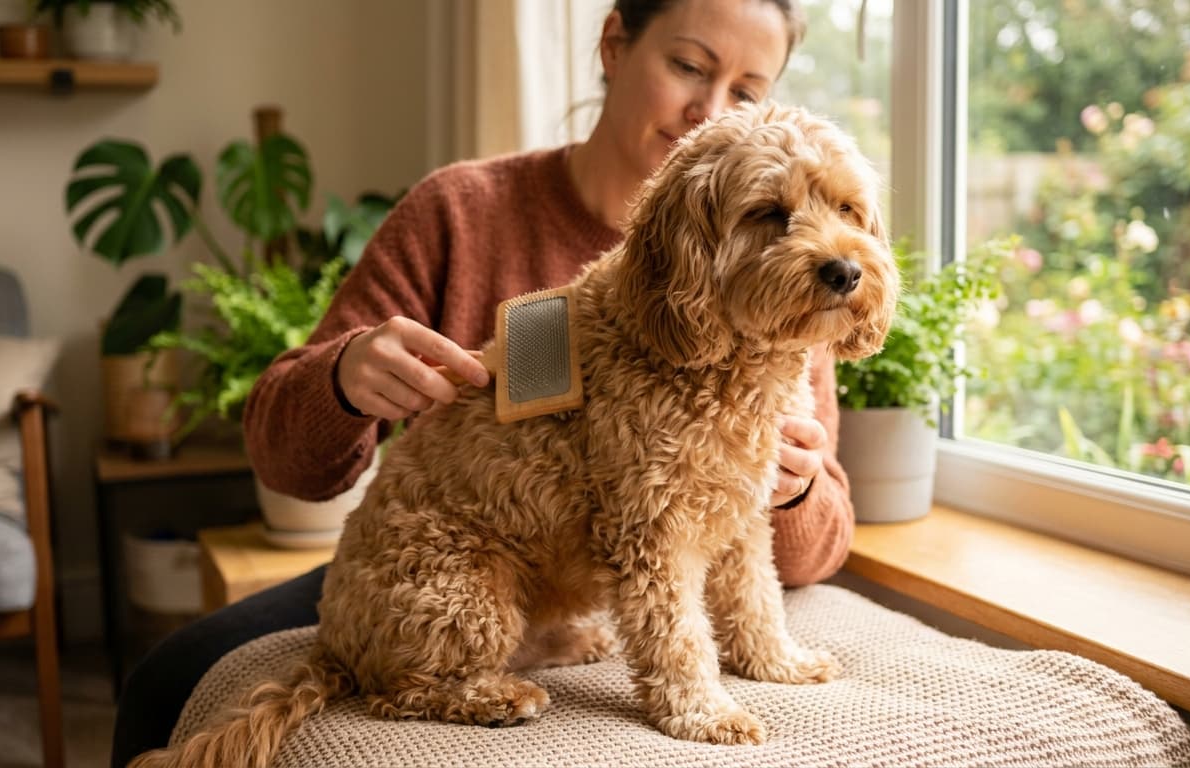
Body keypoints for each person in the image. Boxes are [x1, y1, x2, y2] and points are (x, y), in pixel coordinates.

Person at [110, 1, 856, 764]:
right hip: (438, 561)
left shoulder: (791, 291)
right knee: (163, 681)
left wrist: (787, 485)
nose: (708, 109)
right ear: (614, 45)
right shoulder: (460, 212)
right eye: (689, 67)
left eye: (745, 89)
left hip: (576, 588)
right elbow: (283, 456)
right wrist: (341, 377)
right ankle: (420, 677)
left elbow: (808, 540)